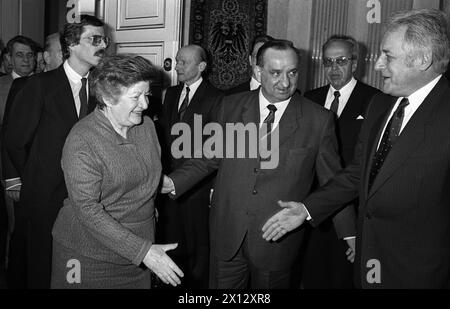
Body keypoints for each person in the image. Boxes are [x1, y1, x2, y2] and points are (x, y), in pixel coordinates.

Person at [262, 9, 450, 289]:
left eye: (389, 56)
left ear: (423, 60)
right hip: (368, 264)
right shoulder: (380, 105)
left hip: (422, 273)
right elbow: (358, 173)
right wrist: (307, 209)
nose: (378, 66)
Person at [163, 40, 349, 288]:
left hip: (278, 241)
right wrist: (173, 181)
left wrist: (351, 233)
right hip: (227, 234)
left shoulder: (319, 120)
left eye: (292, 73)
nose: (286, 82)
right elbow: (210, 156)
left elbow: (333, 181)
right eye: (276, 73)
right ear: (258, 72)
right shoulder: (230, 106)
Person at [50, 54, 183, 289]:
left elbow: (144, 176)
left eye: (147, 94)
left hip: (139, 255)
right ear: (108, 99)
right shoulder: (82, 139)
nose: (145, 104)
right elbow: (88, 210)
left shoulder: (147, 126)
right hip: (86, 256)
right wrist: (143, 252)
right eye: (136, 96)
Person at [4, 14, 107, 288]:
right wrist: (38, 177)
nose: (103, 45)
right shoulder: (39, 85)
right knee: (40, 266)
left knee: (73, 268)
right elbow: (15, 141)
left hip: (85, 196)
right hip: (43, 198)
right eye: (94, 39)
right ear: (71, 44)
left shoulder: (101, 90)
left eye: (104, 39)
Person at [302, 35, 380, 288]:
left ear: (355, 63)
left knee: (343, 278)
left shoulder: (375, 100)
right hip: (313, 208)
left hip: (351, 205)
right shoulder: (309, 99)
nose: (334, 68)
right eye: (328, 62)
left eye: (341, 61)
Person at [1, 32, 63, 289]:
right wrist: (13, 177)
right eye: (19, 55)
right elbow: (9, 136)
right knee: (14, 228)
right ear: (8, 59)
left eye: (29, 55)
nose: (26, 60)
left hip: (37, 174)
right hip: (12, 170)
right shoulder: (13, 86)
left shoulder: (45, 83)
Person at [157, 44, 223, 288]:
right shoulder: (171, 93)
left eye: (184, 62)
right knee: (171, 238)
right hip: (168, 182)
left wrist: (214, 188)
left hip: (198, 185)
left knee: (197, 244)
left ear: (201, 66)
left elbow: (216, 149)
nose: (177, 67)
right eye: (177, 61)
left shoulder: (217, 98)